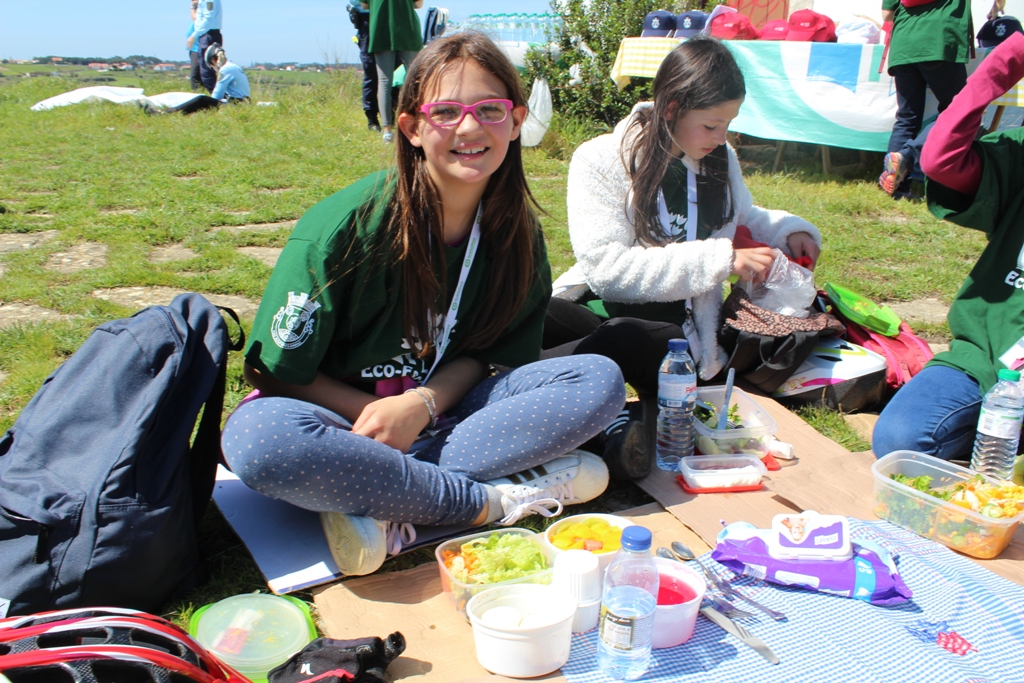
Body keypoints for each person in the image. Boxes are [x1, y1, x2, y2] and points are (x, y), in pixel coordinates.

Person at [221, 31, 624, 577]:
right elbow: (273, 371)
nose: (470, 127)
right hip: (338, 423)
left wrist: (421, 406)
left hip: (446, 416)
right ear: (412, 127)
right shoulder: (345, 228)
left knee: (597, 378)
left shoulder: (517, 233)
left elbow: (490, 358)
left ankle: (379, 495)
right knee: (261, 441)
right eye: (446, 112)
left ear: (516, 121)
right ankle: (488, 502)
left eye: (489, 109)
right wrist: (377, 418)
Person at [546, 37, 822, 480]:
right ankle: (576, 402)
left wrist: (790, 231)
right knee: (536, 310)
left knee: (633, 339)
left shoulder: (719, 159)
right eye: (711, 125)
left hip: (679, 340)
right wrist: (720, 259)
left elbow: (741, 214)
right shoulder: (600, 159)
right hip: (606, 312)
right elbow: (607, 271)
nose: (721, 138)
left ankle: (584, 411)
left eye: (728, 125)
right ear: (672, 108)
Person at [873, 31, 1024, 462]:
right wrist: (1006, 61)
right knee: (900, 439)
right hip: (988, 354)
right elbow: (940, 158)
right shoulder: (1020, 152)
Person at [878, 0, 971, 199]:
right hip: (939, 40)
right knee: (959, 111)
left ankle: (896, 188)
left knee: (907, 117)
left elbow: (887, 14)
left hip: (904, 43)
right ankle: (907, 157)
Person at [365, 0, 424, 143]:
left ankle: (387, 131)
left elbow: (364, 5)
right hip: (408, 30)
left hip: (380, 30)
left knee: (384, 82)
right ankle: (417, 123)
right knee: (416, 80)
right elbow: (418, 4)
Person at [349, 0, 381, 131]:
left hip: (392, 32)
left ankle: (392, 115)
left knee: (396, 75)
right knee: (372, 76)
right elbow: (360, 7)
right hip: (368, 33)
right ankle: (372, 119)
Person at [187, 0, 224, 93]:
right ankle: (216, 96)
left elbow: (208, 19)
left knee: (207, 72)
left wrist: (194, 36)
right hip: (207, 35)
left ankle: (216, 97)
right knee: (206, 72)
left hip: (208, 36)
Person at [188, 1, 202, 91]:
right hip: (194, 48)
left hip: (197, 48)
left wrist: (192, 7)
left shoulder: (199, 14)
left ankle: (197, 93)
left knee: (195, 75)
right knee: (197, 75)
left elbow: (195, 20)